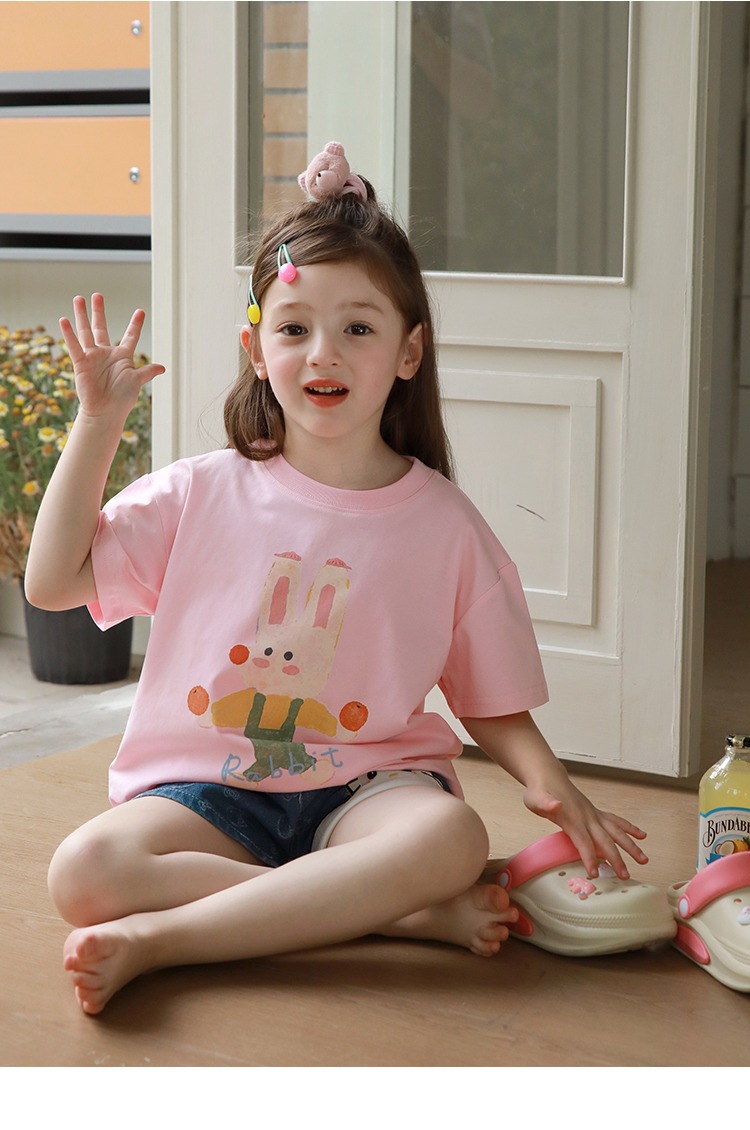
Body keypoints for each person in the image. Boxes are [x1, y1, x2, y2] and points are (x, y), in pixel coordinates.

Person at [25, 146, 648, 1016]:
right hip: (206, 792)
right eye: (294, 329)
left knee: (451, 837)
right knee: (82, 872)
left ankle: (164, 940)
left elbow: (490, 696)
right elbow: (54, 584)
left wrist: (549, 783)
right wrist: (98, 421)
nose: (324, 353)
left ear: (408, 351)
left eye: (358, 328)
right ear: (255, 348)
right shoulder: (199, 492)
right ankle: (385, 914)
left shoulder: (444, 525)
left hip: (369, 792)